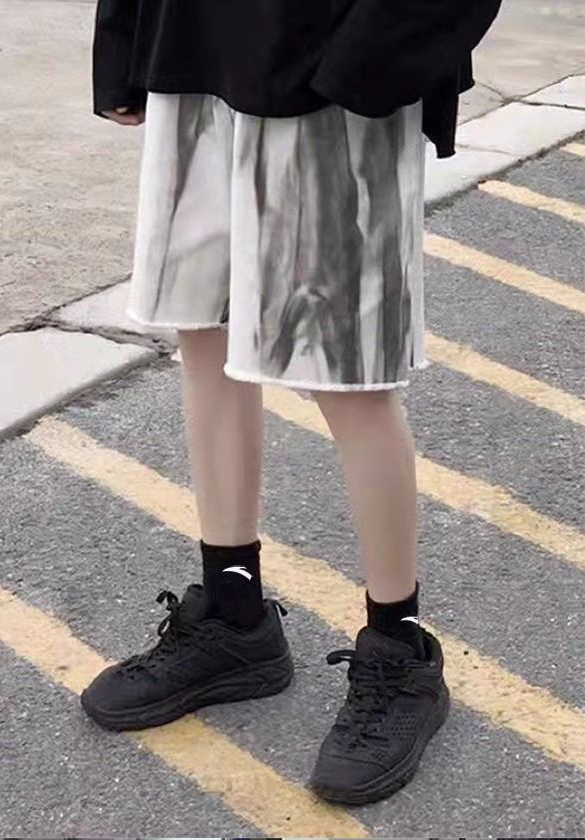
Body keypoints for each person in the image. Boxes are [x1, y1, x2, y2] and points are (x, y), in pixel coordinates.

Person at [80, 0, 502, 805]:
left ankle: (399, 650)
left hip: (330, 66)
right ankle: (233, 612)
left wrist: (366, 67)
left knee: (350, 377)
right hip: (194, 46)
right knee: (203, 333)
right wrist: (127, 40)